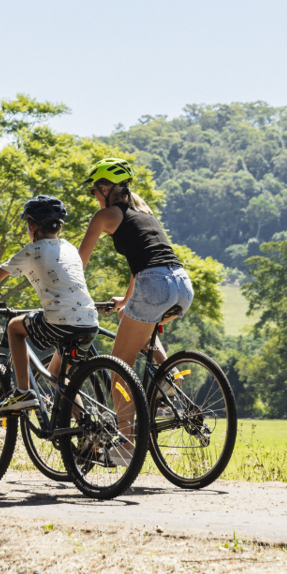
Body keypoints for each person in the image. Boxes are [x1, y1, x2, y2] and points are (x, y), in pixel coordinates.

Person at [0, 195, 99, 414]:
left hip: (60, 322)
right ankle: (87, 424)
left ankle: (23, 392)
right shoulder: (69, 248)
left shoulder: (33, 251)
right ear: (59, 227)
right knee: (57, 375)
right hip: (90, 323)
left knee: (14, 327)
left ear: (32, 226)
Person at [78, 157, 192, 430]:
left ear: (105, 189)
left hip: (155, 285)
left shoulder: (105, 216)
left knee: (118, 369)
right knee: (126, 317)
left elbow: (77, 263)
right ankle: (170, 372)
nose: (94, 196)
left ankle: (127, 443)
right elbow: (143, 263)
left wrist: (69, 295)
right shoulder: (144, 213)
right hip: (182, 285)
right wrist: (126, 300)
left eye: (93, 190)